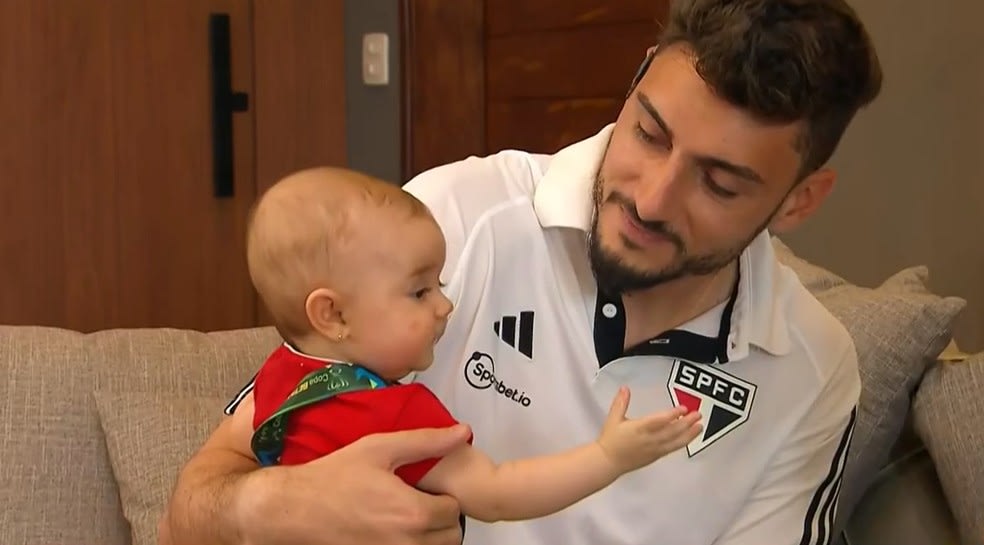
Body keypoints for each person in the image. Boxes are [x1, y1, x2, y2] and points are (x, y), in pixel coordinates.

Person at [160, 0, 883, 543]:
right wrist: (272, 505)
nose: (651, 198)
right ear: (631, 85)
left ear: (799, 201)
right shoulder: (449, 221)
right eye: (648, 133)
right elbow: (190, 509)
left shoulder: (811, 369)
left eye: (719, 184)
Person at [241, 167, 702, 523]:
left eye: (438, 283)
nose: (445, 305)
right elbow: (497, 492)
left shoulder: (278, 377)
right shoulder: (397, 415)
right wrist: (608, 457)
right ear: (333, 315)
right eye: (419, 292)